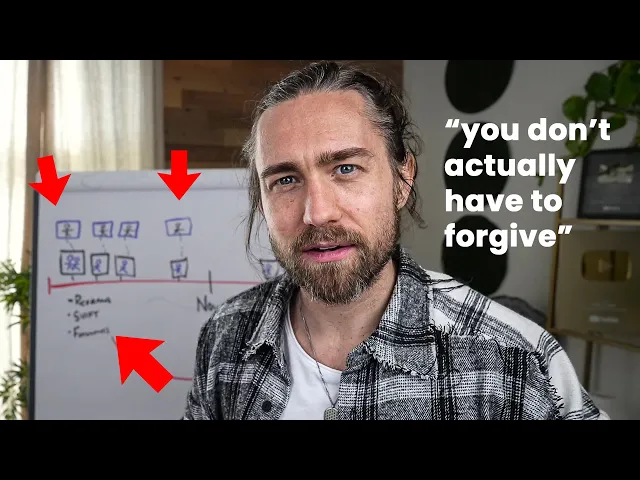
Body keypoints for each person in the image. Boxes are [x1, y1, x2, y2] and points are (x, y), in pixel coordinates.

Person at [182, 60, 608, 420]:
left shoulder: (515, 362)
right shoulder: (226, 335)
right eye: (286, 180)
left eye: (345, 168)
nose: (317, 213)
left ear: (402, 180)